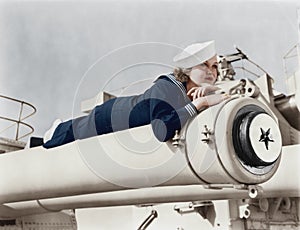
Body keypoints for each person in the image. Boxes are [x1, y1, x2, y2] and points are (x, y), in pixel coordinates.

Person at [43, 40, 230, 149]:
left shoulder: (189, 91)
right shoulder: (167, 87)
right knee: (78, 130)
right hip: (112, 114)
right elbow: (162, 130)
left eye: (214, 66)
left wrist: (211, 90)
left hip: (123, 114)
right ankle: (56, 129)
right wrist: (201, 102)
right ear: (188, 70)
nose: (211, 71)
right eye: (204, 65)